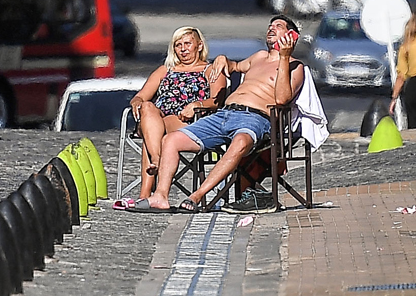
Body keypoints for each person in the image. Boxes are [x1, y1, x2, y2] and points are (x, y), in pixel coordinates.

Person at [130, 15, 305, 213]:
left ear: (292, 35)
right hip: (225, 114)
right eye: (270, 26)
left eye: (278, 27)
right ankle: (160, 195)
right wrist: (224, 60)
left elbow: (282, 99)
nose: (271, 29)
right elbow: (235, 67)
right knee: (171, 140)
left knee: (240, 142)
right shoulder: (258, 57)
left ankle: (197, 195)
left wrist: (283, 57)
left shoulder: (295, 66)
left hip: (255, 118)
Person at [128, 27, 226, 199]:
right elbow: (141, 96)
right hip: (157, 118)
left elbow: (217, 100)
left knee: (150, 133)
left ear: (200, 46)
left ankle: (145, 194)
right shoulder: (166, 70)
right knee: (147, 108)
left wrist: (196, 104)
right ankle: (158, 159)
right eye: (178, 45)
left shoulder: (210, 70)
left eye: (187, 43)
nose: (183, 49)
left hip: (189, 121)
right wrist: (136, 102)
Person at [390, 9, 416, 129]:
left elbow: (401, 75)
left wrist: (394, 97)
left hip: (412, 86)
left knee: (414, 124)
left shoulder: (407, 44)